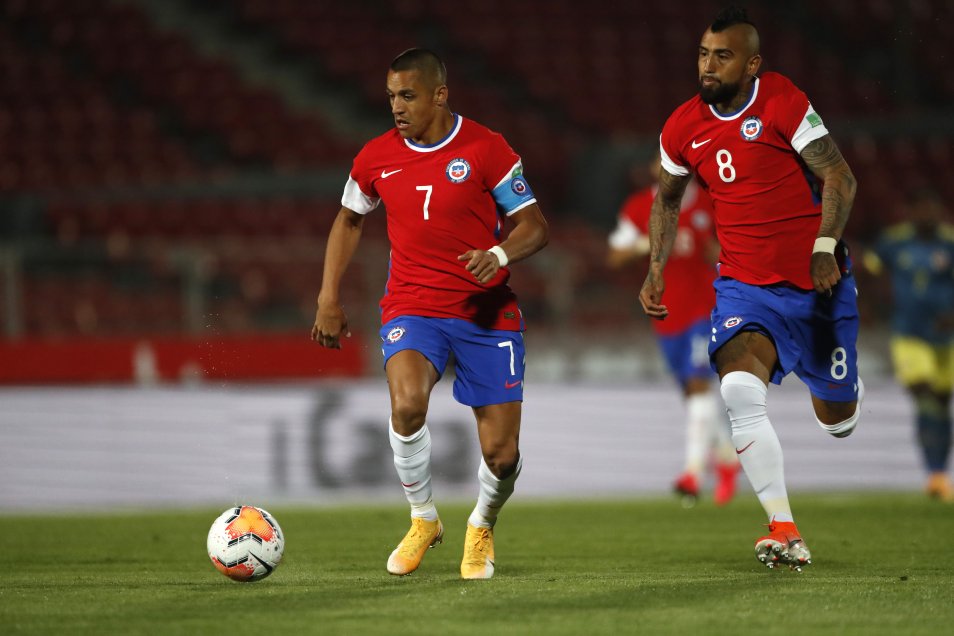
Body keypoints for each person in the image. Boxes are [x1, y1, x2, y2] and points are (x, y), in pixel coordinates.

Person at [639, 7, 862, 571]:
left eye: (723, 56)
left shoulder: (782, 100)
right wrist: (656, 266)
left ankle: (842, 385)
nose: (709, 66)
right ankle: (784, 529)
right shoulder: (682, 126)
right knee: (738, 391)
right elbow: (666, 198)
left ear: (753, 63)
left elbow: (840, 175)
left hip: (817, 286)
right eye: (703, 54)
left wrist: (823, 247)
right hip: (743, 286)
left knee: (838, 418)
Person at [312, 48, 548, 579]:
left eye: (408, 95)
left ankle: (482, 525)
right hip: (413, 306)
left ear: (440, 95)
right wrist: (328, 296)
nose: (397, 107)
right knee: (407, 404)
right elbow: (349, 219)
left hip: (484, 312)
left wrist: (500, 255)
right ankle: (424, 519)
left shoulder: (486, 148)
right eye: (392, 96)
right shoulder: (375, 157)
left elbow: (535, 225)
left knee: (502, 455)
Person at [607, 156, 740, 505]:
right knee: (692, 394)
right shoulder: (639, 207)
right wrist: (642, 244)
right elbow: (615, 256)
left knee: (698, 384)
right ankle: (727, 458)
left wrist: (719, 252)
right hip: (667, 314)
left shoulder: (711, 203)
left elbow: (732, 248)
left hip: (707, 309)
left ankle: (692, 474)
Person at [864, 189, 954, 501]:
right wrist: (874, 308)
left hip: (946, 339)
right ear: (911, 211)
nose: (928, 215)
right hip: (909, 334)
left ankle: (938, 476)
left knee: (941, 406)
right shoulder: (894, 242)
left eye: (933, 208)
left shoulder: (949, 242)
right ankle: (934, 472)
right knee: (924, 394)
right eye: (922, 209)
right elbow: (870, 271)